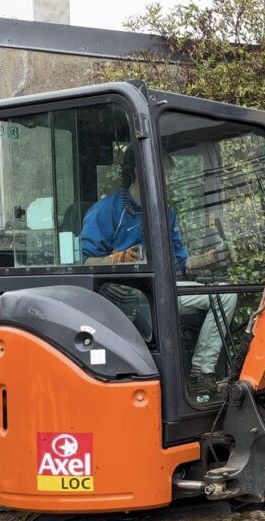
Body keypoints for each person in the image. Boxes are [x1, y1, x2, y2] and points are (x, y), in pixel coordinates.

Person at [80, 148, 236, 399]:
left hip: (163, 291)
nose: (168, 181)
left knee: (225, 296)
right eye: (164, 174)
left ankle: (201, 372)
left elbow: (182, 262)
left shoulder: (166, 213)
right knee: (144, 304)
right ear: (139, 172)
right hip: (123, 295)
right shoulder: (105, 211)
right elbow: (87, 261)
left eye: (170, 175)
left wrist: (208, 259)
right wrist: (117, 259)